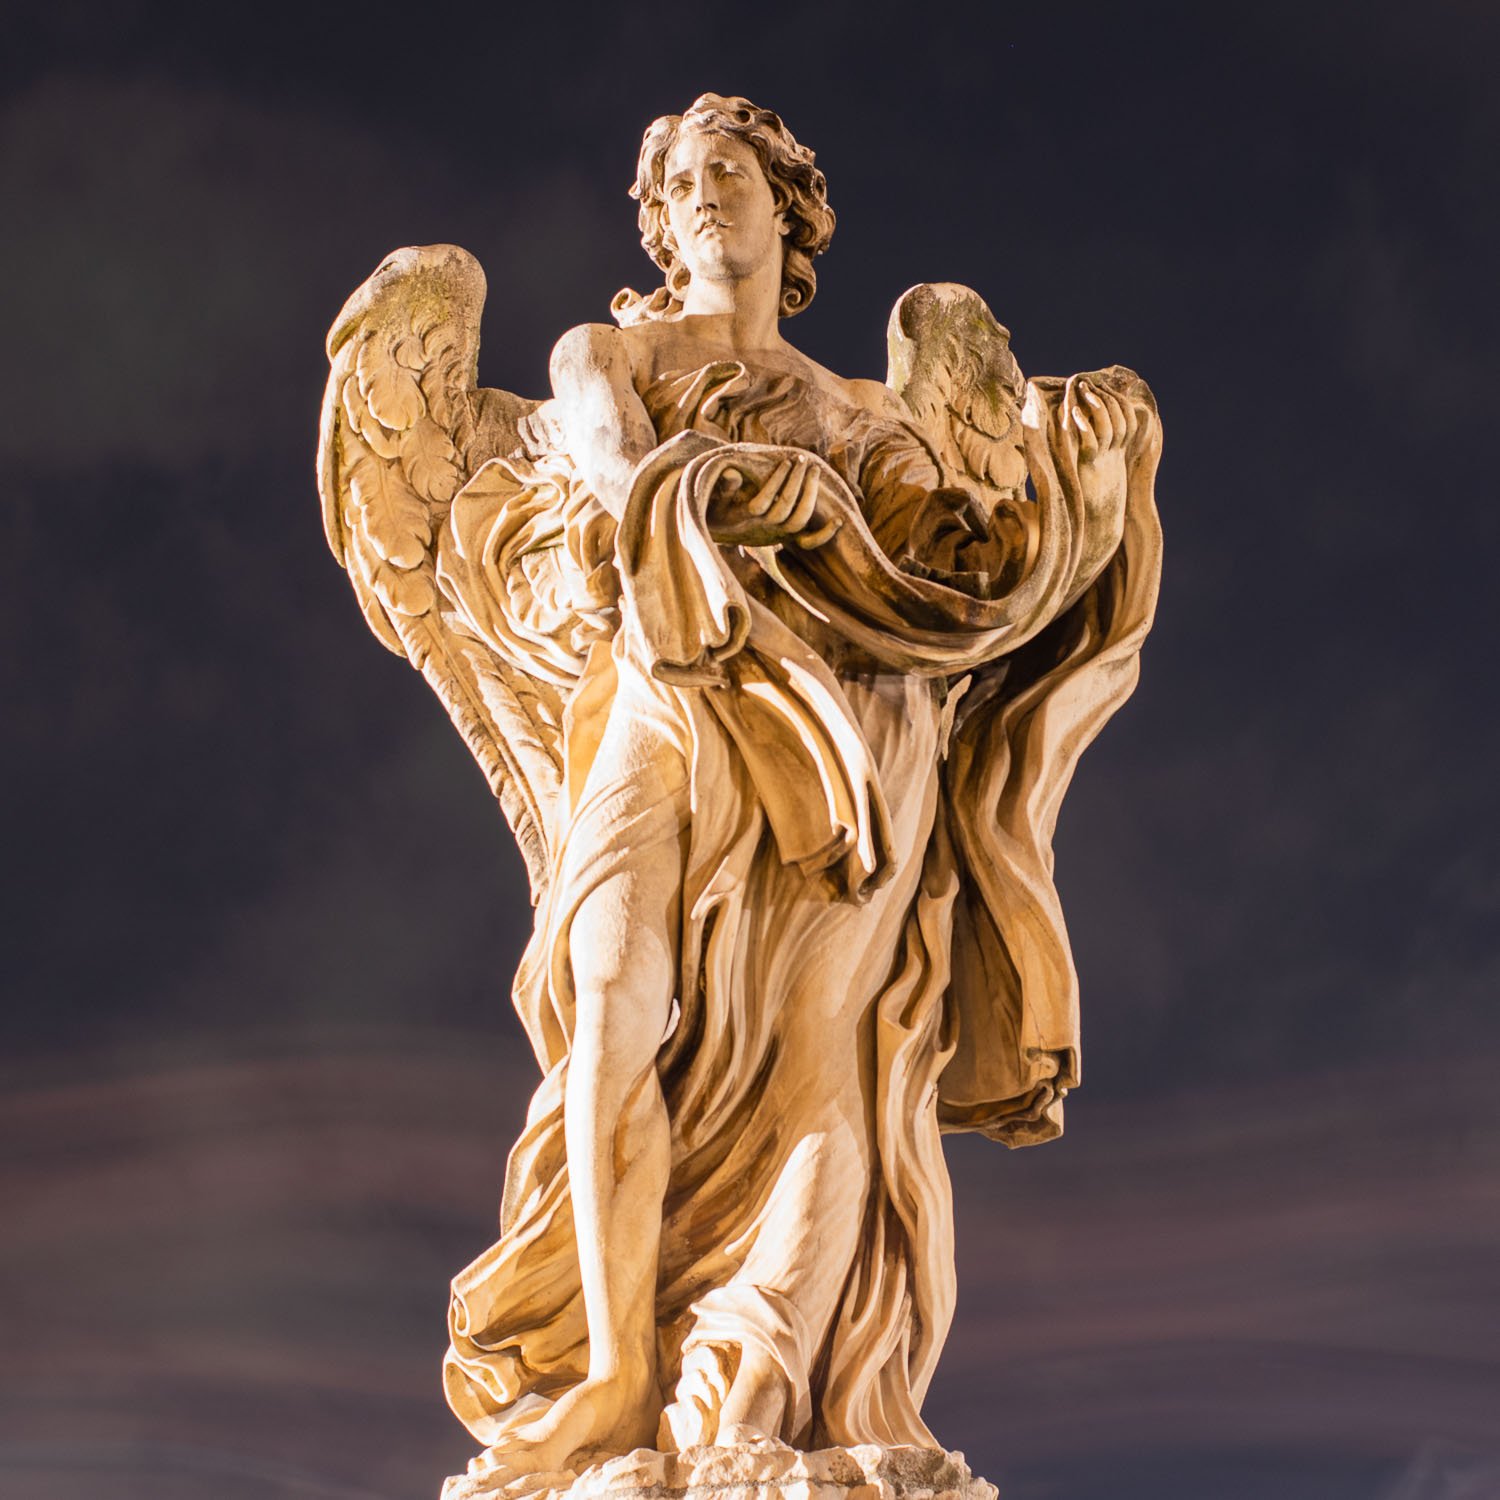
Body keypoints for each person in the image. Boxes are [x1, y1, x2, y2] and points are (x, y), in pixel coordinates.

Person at [433, 93, 1162, 1480]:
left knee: (841, 1059)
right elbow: (611, 464)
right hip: (676, 694)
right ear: (655, 223)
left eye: (734, 174)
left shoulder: (869, 408)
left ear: (791, 209)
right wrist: (723, 494)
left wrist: (1086, 479)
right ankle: (616, 1369)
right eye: (682, 183)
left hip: (861, 732)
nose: (706, 197)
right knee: (608, 989)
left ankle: (750, 1383)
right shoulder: (609, 351)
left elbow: (968, 584)